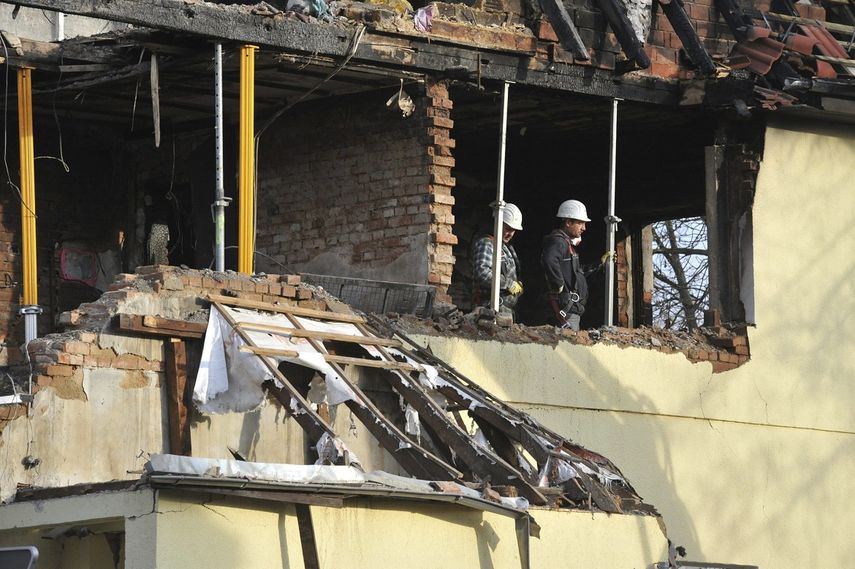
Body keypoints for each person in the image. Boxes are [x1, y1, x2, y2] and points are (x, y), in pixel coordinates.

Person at [541, 199, 611, 331]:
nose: (584, 228)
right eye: (580, 223)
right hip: (565, 310)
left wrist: (599, 264)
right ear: (568, 222)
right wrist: (558, 283)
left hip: (571, 310)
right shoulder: (559, 241)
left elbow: (576, 273)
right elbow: (549, 259)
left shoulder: (567, 245)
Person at [471, 203, 524, 318]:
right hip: (490, 310)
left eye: (513, 230)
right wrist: (509, 284)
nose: (510, 233)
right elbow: (482, 273)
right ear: (497, 223)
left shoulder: (506, 247)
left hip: (505, 311)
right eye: (508, 229)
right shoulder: (487, 243)